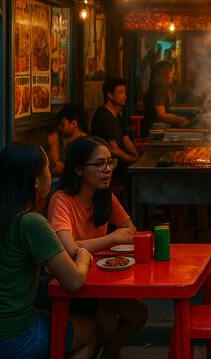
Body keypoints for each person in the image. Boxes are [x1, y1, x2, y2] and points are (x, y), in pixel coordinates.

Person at [0, 143, 96, 359]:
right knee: (88, 331)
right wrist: (83, 256)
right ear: (36, 181)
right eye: (47, 168)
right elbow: (73, 281)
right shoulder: (30, 223)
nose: (50, 173)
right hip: (5, 340)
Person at [47, 136, 148, 359]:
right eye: (100, 164)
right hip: (76, 281)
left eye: (110, 162)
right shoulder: (61, 200)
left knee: (139, 312)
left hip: (103, 277)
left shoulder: (104, 196)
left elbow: (131, 231)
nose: (107, 169)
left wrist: (86, 245)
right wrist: (111, 239)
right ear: (79, 169)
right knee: (108, 323)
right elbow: (68, 250)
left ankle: (110, 354)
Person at [90, 77, 139, 201]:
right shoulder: (103, 116)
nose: (125, 96)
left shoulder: (118, 115)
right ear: (110, 95)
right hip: (105, 167)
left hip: (119, 165)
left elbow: (125, 139)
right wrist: (132, 160)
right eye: (121, 92)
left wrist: (136, 156)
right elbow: (113, 148)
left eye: (125, 92)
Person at [141, 60, 189, 137]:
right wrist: (181, 120)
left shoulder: (157, 87)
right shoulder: (159, 88)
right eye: (172, 74)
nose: (172, 77)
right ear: (165, 74)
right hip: (154, 133)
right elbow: (161, 115)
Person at [48, 104, 89, 176]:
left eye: (62, 124)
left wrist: (53, 145)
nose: (60, 128)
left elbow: (57, 170)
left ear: (73, 123)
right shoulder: (83, 141)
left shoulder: (80, 145)